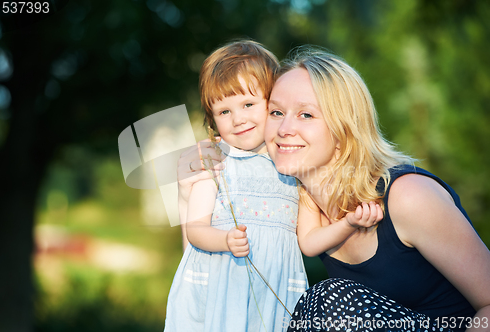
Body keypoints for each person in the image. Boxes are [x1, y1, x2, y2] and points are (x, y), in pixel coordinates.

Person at [261, 47, 490, 331]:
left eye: (306, 115)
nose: (283, 128)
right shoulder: (299, 203)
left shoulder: (407, 196)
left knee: (329, 300)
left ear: (345, 129)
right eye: (276, 112)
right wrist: (191, 160)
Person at [165, 40, 310, 332]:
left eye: (248, 104)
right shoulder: (215, 160)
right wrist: (225, 241)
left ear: (273, 103)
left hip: (276, 289)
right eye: (224, 112)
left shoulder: (292, 161)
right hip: (225, 286)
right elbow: (195, 229)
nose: (238, 119)